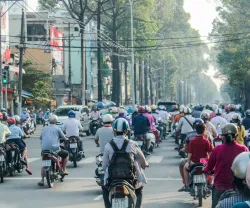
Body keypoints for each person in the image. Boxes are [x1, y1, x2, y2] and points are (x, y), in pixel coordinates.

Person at [102, 118, 149, 208]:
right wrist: (145, 165)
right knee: (139, 189)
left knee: (104, 189)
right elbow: (143, 161)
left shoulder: (108, 146)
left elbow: (104, 165)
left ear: (114, 131)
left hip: (113, 179)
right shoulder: (132, 144)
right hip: (130, 179)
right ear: (127, 131)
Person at [203, 123, 248, 208]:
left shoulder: (217, 149)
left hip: (220, 186)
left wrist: (205, 171)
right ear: (236, 135)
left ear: (223, 136)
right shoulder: (243, 149)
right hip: (239, 188)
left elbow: (209, 167)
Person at [178, 120, 213, 192]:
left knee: (185, 168)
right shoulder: (206, 141)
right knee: (211, 170)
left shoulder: (192, 141)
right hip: (204, 162)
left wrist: (188, 162)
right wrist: (210, 162)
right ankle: (211, 183)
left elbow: (189, 153)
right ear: (204, 131)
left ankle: (187, 185)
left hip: (193, 162)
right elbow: (210, 153)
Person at [39, 115, 69, 186]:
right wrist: (67, 139)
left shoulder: (44, 129)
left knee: (44, 164)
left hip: (44, 150)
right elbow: (64, 138)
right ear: (56, 121)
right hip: (54, 149)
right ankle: (64, 169)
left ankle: (42, 180)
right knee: (66, 154)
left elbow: (40, 138)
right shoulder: (57, 128)